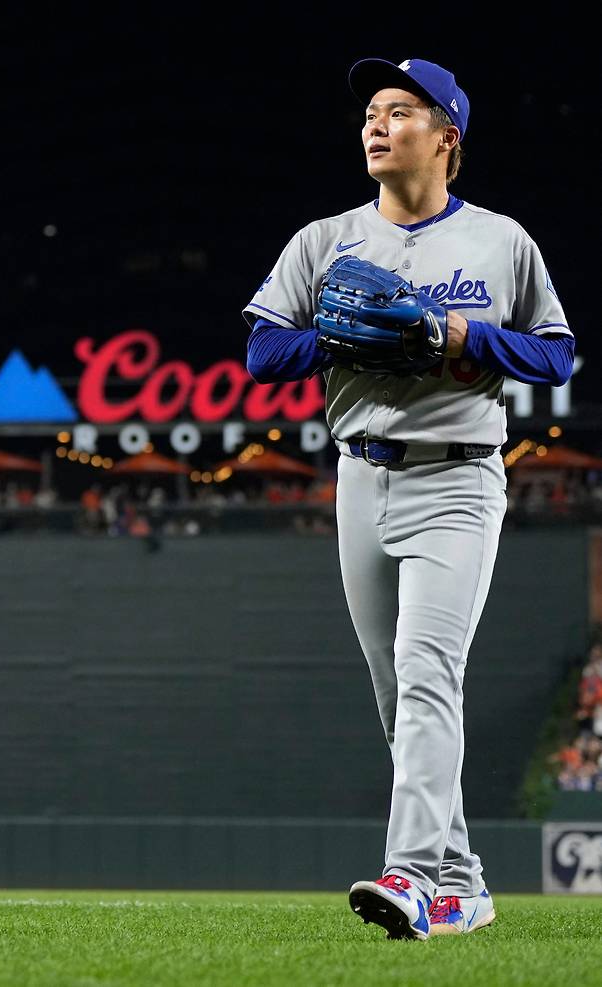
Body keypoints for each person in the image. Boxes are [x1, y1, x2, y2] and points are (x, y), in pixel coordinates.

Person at [242, 57, 574, 940]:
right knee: (398, 696)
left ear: (447, 136)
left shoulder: (502, 241)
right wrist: (340, 337)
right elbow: (263, 355)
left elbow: (557, 357)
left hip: (459, 476)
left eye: (400, 110)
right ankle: (462, 880)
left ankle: (413, 876)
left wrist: (467, 333)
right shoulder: (325, 240)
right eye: (370, 113)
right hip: (360, 476)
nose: (375, 124)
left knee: (430, 675)